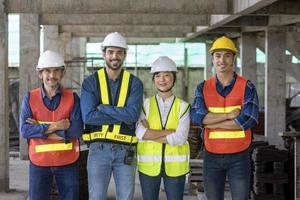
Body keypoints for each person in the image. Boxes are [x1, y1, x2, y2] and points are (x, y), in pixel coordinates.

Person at [191, 36, 259, 200]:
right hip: (211, 156)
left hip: (239, 157)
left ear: (234, 59)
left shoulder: (246, 86)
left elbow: (248, 120)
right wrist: (229, 116)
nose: (222, 60)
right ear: (212, 59)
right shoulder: (203, 87)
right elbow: (197, 117)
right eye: (218, 55)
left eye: (227, 55)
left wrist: (211, 122)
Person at [81, 32, 143, 200]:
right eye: (111, 52)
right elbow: (88, 117)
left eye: (119, 52)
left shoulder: (134, 83)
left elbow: (132, 115)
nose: (114, 56)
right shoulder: (90, 82)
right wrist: (123, 115)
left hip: (126, 151)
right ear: (104, 54)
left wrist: (103, 108)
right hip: (98, 150)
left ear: (124, 54)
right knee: (97, 197)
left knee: (126, 197)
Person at [20, 50, 83, 200]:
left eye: (56, 71)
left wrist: (41, 130)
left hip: (68, 161)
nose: (51, 75)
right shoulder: (29, 98)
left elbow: (76, 130)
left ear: (62, 73)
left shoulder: (73, 98)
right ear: (40, 73)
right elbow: (25, 130)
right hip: (39, 162)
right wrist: (57, 126)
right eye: (47, 71)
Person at [136, 56, 190, 200]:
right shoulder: (145, 105)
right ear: (153, 79)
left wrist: (150, 134)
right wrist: (169, 132)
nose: (162, 79)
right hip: (148, 167)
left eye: (167, 75)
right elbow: (140, 133)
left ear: (174, 79)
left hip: (176, 168)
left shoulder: (183, 107)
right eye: (158, 75)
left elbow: (180, 138)